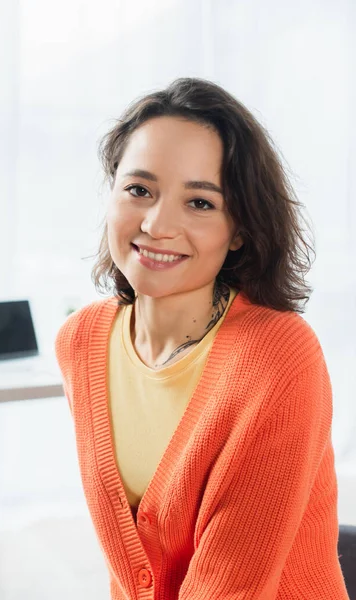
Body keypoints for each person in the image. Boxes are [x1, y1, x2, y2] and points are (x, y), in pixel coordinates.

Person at [55, 77, 350, 599]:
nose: (157, 224)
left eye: (200, 203)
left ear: (239, 229)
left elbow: (230, 589)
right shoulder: (82, 340)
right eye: (139, 189)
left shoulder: (278, 358)